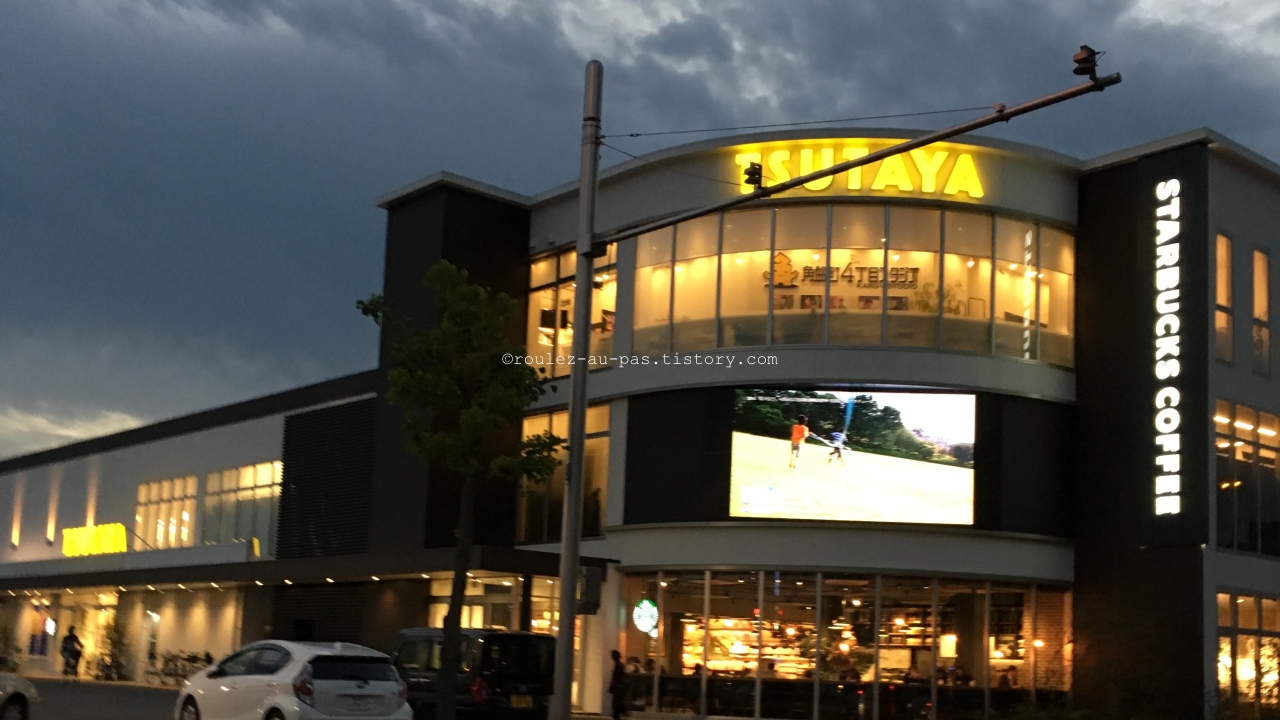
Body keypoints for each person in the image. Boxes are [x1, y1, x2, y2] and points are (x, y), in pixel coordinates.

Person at [608, 649, 628, 720]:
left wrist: (614, 685)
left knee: (616, 702)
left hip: (618, 686)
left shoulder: (618, 665)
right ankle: (620, 712)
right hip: (620, 686)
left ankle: (618, 714)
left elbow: (616, 677)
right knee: (618, 701)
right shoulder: (620, 665)